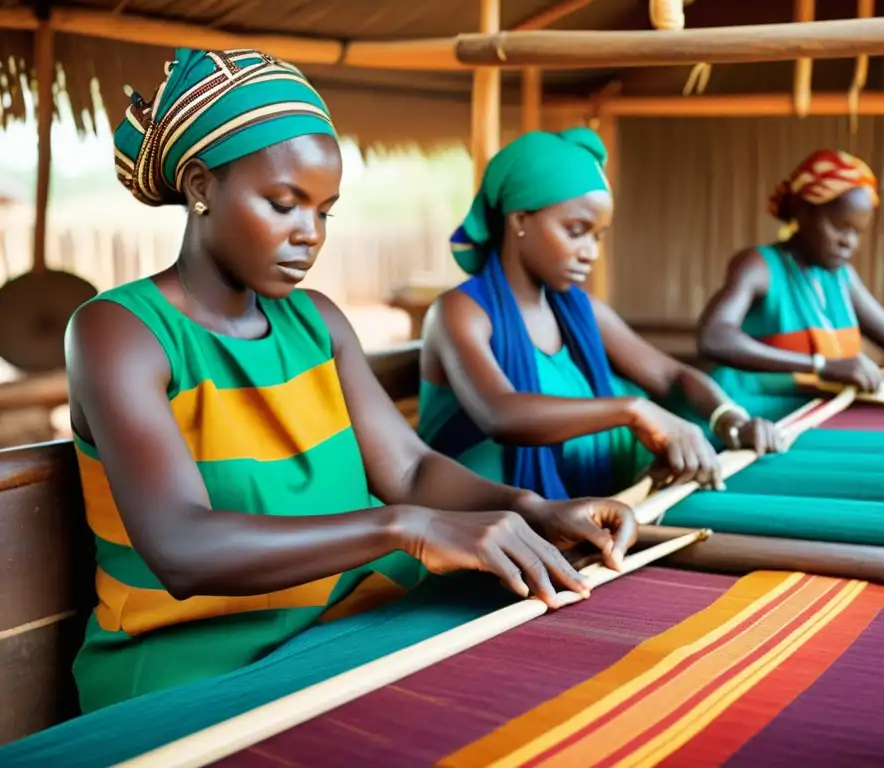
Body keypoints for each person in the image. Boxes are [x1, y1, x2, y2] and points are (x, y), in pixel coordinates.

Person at [65, 48, 638, 714]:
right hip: (193, 679)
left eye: (324, 212)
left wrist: (532, 510)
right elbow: (183, 548)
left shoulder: (318, 323)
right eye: (284, 204)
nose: (309, 235)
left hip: (351, 634)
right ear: (200, 187)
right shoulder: (119, 333)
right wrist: (405, 530)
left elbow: (414, 471)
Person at [418, 128, 783, 507]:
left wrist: (730, 419)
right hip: (474, 526)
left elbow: (671, 376)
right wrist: (632, 410)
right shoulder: (459, 312)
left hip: (564, 514)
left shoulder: (579, 309)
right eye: (576, 232)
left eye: (598, 236)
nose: (590, 252)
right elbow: (501, 413)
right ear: (520, 219)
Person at [697, 149, 884, 422]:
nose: (849, 242)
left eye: (857, 231)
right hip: (747, 419)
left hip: (811, 420)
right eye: (839, 226)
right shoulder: (759, 265)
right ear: (802, 212)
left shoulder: (841, 277)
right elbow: (714, 337)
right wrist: (821, 367)